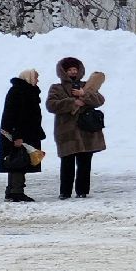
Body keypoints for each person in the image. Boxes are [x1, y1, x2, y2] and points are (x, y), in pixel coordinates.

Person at [44, 56, 107, 200]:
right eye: (69, 70)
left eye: (75, 69)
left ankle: (82, 191)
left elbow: (100, 100)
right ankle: (65, 192)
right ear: (63, 72)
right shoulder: (56, 88)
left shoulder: (87, 86)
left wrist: (84, 95)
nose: (72, 72)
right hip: (66, 132)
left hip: (86, 130)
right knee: (67, 163)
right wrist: (73, 102)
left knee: (85, 163)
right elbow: (51, 105)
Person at [0, 69, 45, 203]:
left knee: (19, 160)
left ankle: (12, 190)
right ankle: (16, 191)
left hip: (27, 133)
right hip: (20, 134)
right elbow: (14, 116)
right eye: (36, 77)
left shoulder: (27, 90)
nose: (37, 80)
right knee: (18, 161)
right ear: (28, 78)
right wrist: (17, 136)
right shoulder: (19, 91)